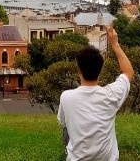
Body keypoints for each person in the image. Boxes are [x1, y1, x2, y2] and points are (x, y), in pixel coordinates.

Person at [57, 25, 134, 161]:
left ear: (79, 71)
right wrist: (115, 44)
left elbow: (63, 122)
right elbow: (128, 72)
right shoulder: (111, 95)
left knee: (66, 129)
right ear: (100, 70)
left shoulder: (66, 97)